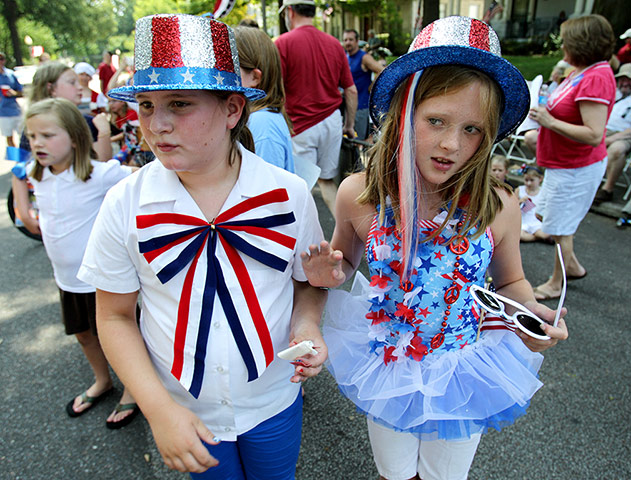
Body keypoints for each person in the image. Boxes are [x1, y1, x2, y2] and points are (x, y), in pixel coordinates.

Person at [300, 16, 568, 480]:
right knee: (395, 472)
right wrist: (326, 275)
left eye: (472, 130)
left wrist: (531, 316)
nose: (450, 143)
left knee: (446, 475)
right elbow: (342, 268)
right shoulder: (360, 195)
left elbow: (512, 281)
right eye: (436, 120)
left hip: (460, 369)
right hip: (390, 366)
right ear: (404, 113)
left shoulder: (497, 206)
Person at [77, 14, 328, 477]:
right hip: (185, 408)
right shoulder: (124, 204)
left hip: (273, 397)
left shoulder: (289, 193)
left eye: (179, 104)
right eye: (146, 106)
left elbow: (306, 282)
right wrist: (157, 409)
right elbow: (113, 315)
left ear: (233, 109)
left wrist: (309, 322)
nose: (157, 125)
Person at [23, 98, 138, 428]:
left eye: (47, 135)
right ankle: (102, 380)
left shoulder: (98, 176)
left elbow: (139, 176)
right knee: (84, 335)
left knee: (118, 336)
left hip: (101, 282)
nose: (37, 143)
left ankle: (132, 388)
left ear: (74, 137)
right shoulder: (38, 175)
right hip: (66, 279)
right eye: (32, 137)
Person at [529, 14, 616, 299]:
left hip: (577, 167)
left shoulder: (597, 77)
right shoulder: (581, 71)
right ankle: (573, 267)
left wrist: (550, 122)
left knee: (559, 227)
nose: (562, 46)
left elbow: (593, 134)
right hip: (563, 164)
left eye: (566, 41)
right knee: (550, 217)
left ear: (581, 44)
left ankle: (557, 283)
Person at [12, 61, 114, 235]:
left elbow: (103, 163)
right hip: (55, 212)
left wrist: (103, 132)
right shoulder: (34, 126)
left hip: (88, 212)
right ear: (51, 88)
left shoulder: (87, 122)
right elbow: (20, 168)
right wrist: (24, 213)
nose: (80, 86)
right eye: (71, 82)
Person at [276, 0, 357, 215]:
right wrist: (349, 126)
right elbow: (351, 90)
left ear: (290, 12)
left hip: (300, 126)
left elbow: (276, 91)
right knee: (328, 182)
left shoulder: (282, 43)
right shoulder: (334, 44)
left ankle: (303, 244)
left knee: (301, 189)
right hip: (332, 121)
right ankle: (344, 239)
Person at [234, 26, 295, 172]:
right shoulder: (258, 119)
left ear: (254, 77)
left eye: (231, 69)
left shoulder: (262, 124)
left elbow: (267, 191)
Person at [592, 63, 631, 204]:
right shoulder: (614, 93)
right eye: (622, 79)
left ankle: (607, 189)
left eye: (629, 80)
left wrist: (612, 139)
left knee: (616, 149)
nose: (625, 83)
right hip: (603, 129)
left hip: (625, 135)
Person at [343, 29, 384, 141]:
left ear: (357, 41)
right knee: (348, 144)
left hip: (361, 108)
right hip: (346, 108)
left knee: (358, 143)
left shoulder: (364, 57)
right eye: (345, 40)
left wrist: (371, 88)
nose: (348, 42)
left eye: (351, 39)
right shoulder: (345, 57)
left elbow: (382, 70)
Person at [517, 166, 550, 243]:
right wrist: (520, 201)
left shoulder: (543, 192)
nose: (528, 183)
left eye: (532, 180)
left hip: (536, 220)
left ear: (540, 179)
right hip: (523, 220)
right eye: (526, 180)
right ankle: (536, 238)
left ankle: (539, 237)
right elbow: (512, 207)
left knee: (544, 234)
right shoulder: (520, 190)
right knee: (520, 235)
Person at [0, 52, 23, 148]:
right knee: (9, 138)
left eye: (1, 59)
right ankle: (16, 159)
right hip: (3, 113)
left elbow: (21, 92)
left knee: (24, 136)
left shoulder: (11, 74)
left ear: (4, 61)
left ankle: (25, 158)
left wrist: (14, 93)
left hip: (15, 110)